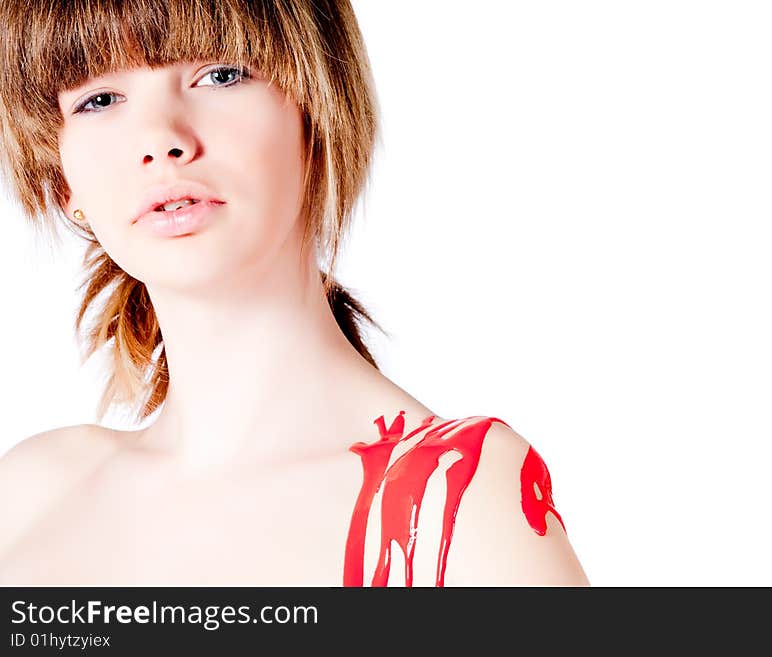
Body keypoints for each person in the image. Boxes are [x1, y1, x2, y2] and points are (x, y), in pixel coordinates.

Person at [0, 0, 589, 587]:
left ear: (317, 113)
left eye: (221, 74)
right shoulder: (30, 494)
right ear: (59, 176)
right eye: (98, 100)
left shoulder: (455, 500)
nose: (161, 140)